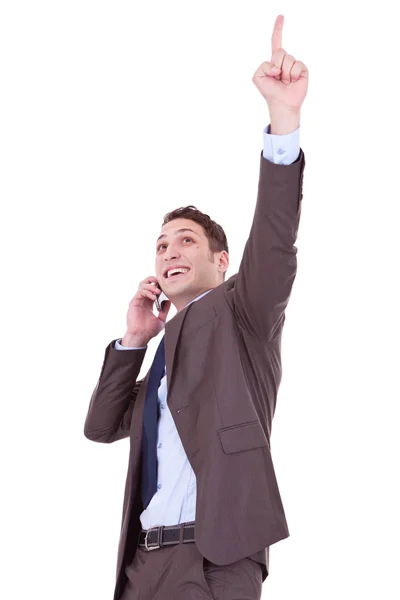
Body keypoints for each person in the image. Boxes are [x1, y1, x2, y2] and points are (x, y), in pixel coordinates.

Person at [84, 13, 308, 600]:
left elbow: (276, 238)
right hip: (142, 567)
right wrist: (135, 340)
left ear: (222, 262)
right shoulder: (162, 359)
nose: (169, 252)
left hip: (215, 561)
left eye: (186, 240)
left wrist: (283, 122)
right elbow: (101, 426)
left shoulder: (246, 314)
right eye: (160, 244)